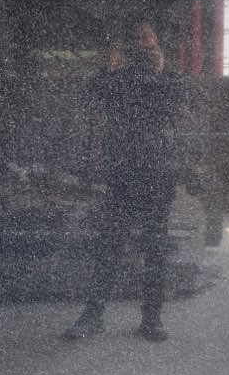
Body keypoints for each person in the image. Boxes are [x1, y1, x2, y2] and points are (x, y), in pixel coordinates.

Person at [64, 21, 184, 343]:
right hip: (122, 174)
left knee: (154, 248)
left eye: (146, 36)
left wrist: (160, 71)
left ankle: (151, 319)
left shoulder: (168, 77)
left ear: (156, 40)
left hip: (157, 174)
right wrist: (111, 66)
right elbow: (91, 96)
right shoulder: (117, 79)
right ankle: (93, 315)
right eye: (136, 38)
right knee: (109, 245)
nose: (141, 43)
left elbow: (178, 107)